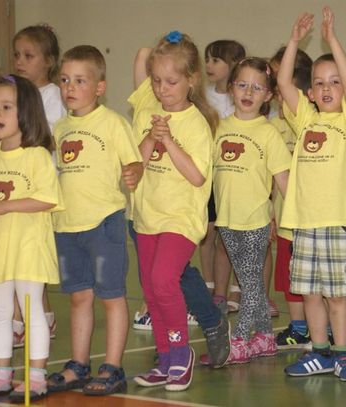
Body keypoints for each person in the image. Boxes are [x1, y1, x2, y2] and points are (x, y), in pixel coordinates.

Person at [277, 8, 346, 382]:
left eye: (334, 82)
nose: (328, 88)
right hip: (304, 224)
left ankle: (343, 354)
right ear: (311, 91)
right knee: (310, 294)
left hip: (336, 223)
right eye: (320, 83)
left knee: (335, 296)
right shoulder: (304, 118)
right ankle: (320, 353)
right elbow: (284, 82)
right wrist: (295, 40)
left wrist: (331, 39)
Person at [47, 45, 143, 396]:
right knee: (78, 298)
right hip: (67, 226)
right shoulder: (58, 128)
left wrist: (133, 171)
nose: (70, 87)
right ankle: (78, 364)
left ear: (99, 87)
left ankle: (113, 366)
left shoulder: (113, 123)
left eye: (80, 80)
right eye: (65, 80)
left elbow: (134, 162)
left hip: (104, 223)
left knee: (111, 296)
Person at [130, 44, 230, 370]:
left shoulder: (197, 123)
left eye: (170, 82)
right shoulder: (147, 112)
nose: (161, 89)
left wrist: (168, 141)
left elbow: (198, 177)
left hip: (181, 218)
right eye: (156, 81)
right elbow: (134, 167)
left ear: (191, 80)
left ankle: (180, 352)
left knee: (163, 280)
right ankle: (165, 357)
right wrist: (150, 139)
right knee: (152, 288)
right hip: (147, 216)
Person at [0, 74, 62, 402]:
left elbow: (48, 199)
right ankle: (1, 376)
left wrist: (7, 206)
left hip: (29, 250)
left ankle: (36, 377)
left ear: (26, 113)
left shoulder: (36, 156)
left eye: (6, 107)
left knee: (32, 310)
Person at [0, 24, 66, 350]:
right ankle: (28, 321)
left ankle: (29, 321)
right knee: (14, 263)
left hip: (38, 188)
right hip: (16, 190)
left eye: (29, 55)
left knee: (29, 263)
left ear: (49, 61)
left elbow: (50, 139)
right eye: (16, 54)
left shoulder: (51, 96)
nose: (20, 61)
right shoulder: (12, 93)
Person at [212, 57, 291, 364]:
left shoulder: (268, 133)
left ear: (268, 95)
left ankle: (242, 338)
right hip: (227, 221)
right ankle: (267, 337)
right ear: (232, 89)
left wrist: (293, 219)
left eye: (257, 87)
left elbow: (283, 180)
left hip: (255, 220)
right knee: (250, 281)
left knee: (251, 282)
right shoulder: (219, 128)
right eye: (242, 84)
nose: (248, 92)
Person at [269, 46, 314, 349]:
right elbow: (272, 176)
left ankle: (319, 328)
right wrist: (271, 212)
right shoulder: (273, 126)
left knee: (313, 280)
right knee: (289, 280)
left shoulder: (311, 123)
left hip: (311, 218)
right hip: (285, 217)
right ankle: (298, 328)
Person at [203, 40, 246, 314]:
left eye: (216, 61)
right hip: (209, 174)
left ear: (232, 66)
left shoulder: (239, 98)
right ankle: (209, 284)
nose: (209, 65)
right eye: (207, 60)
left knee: (232, 236)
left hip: (234, 178)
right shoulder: (202, 97)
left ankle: (236, 287)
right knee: (206, 232)